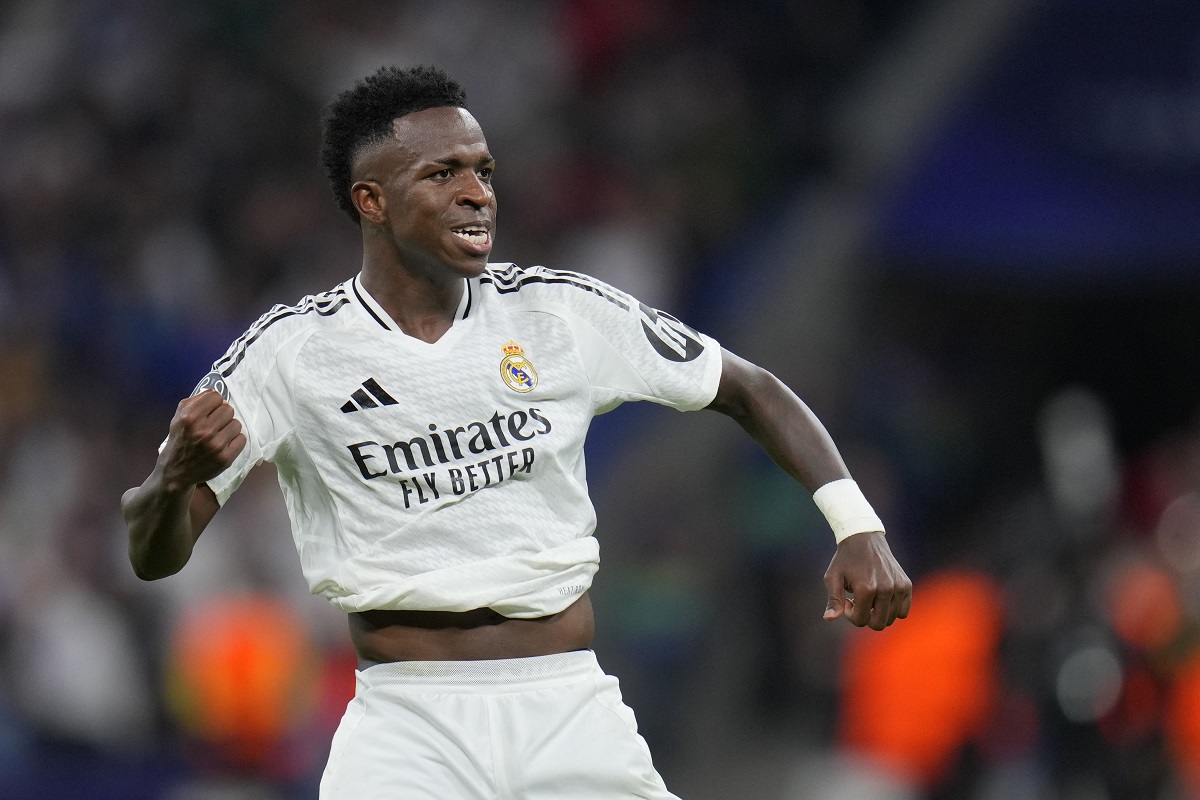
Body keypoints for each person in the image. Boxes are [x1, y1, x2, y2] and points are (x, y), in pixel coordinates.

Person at [122, 64, 911, 799]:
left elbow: (750, 388)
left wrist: (856, 525)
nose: (477, 193)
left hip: (567, 701)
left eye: (484, 170)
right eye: (444, 173)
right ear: (372, 201)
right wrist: (172, 479)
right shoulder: (290, 354)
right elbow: (155, 554)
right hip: (406, 724)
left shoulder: (559, 311)